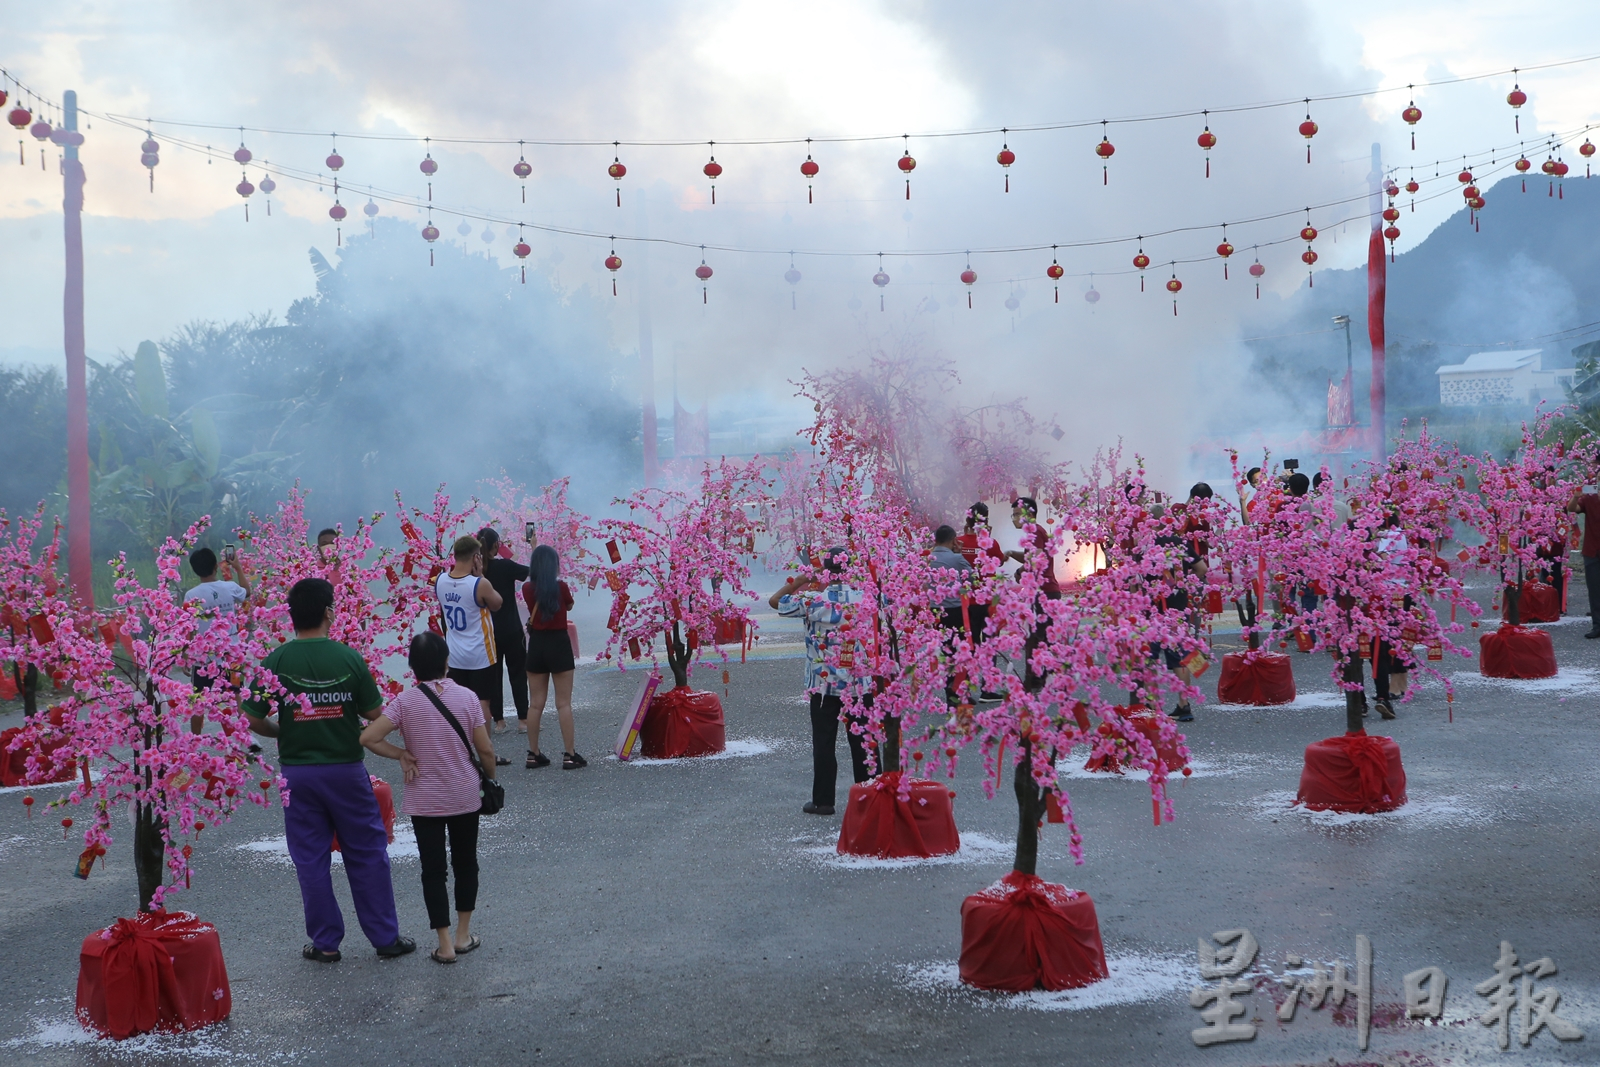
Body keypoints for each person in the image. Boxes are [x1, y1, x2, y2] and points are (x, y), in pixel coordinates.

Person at [244, 578, 414, 963]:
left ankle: (325, 943)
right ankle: (385, 938)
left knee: (310, 859)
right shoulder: (348, 658)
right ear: (327, 612)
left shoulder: (276, 661)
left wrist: (282, 730)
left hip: (298, 776)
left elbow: (253, 717)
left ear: (292, 615)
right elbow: (377, 715)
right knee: (367, 852)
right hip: (346, 771)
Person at [360, 632, 496, 965]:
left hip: (425, 798)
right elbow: (486, 749)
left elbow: (368, 737)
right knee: (466, 863)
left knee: (432, 870)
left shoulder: (405, 702)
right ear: (447, 661)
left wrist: (401, 754)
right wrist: (490, 778)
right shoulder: (466, 697)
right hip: (464, 791)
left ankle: (445, 943)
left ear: (413, 667)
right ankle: (465, 934)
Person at [772, 548, 868, 815]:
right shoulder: (867, 598)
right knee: (863, 743)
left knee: (824, 743)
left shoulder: (813, 600)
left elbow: (775, 601)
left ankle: (824, 800)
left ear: (824, 571)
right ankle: (869, 795)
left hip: (824, 685)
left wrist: (803, 579)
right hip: (860, 684)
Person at [523, 544, 583, 769]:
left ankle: (533, 753)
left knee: (535, 704)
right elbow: (569, 604)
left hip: (537, 644)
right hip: (559, 643)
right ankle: (569, 754)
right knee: (563, 703)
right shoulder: (562, 588)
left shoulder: (528, 589)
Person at [434, 535, 504, 728]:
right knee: (482, 702)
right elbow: (497, 604)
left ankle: (463, 751)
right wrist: (480, 574)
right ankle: (485, 753)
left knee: (459, 703)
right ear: (476, 557)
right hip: (480, 654)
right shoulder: (479, 584)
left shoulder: (440, 581)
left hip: (455, 655)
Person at [184, 546, 251, 734]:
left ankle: (194, 741)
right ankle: (245, 739)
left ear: (195, 570)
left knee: (198, 700)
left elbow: (188, 626)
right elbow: (247, 591)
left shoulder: (191, 595)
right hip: (231, 657)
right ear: (216, 566)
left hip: (203, 659)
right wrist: (237, 567)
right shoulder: (229, 588)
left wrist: (185, 654)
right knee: (237, 695)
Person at [477, 527, 529, 742]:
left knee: (494, 676)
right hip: (511, 628)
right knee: (518, 674)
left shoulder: (477, 572)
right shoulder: (506, 566)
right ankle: (523, 720)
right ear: (496, 546)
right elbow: (528, 571)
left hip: (489, 632)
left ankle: (499, 721)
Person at [1567, 483, 1600, 638]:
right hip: (1592, 550)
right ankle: (1597, 625)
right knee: (1594, 590)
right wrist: (1575, 496)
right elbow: (1572, 509)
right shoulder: (1589, 497)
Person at [955, 503, 1007, 570]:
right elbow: (1000, 563)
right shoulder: (992, 543)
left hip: (964, 580)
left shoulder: (957, 542)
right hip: (986, 580)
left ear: (967, 521)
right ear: (986, 522)